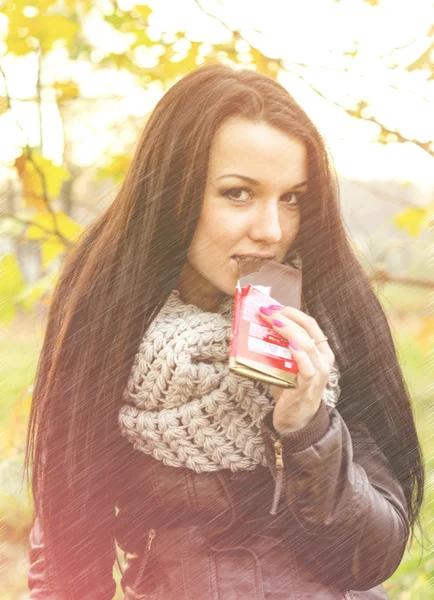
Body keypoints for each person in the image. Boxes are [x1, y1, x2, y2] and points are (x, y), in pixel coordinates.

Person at [26, 63, 424, 600]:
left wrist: (307, 429)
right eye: (238, 194)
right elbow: (68, 545)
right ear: (174, 193)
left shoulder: (332, 312)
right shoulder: (108, 314)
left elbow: (373, 556)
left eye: (292, 198)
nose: (271, 230)